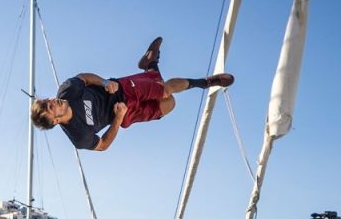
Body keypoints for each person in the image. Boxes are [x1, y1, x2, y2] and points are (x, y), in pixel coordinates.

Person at [29, 37, 234, 151]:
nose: (53, 101)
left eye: (48, 101)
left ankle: (207, 82)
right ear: (55, 121)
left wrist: (104, 82)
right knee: (170, 104)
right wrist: (118, 118)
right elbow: (103, 145)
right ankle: (150, 64)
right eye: (49, 107)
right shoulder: (78, 136)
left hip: (122, 89)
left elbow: (84, 77)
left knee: (164, 90)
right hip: (126, 115)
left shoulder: (67, 91)